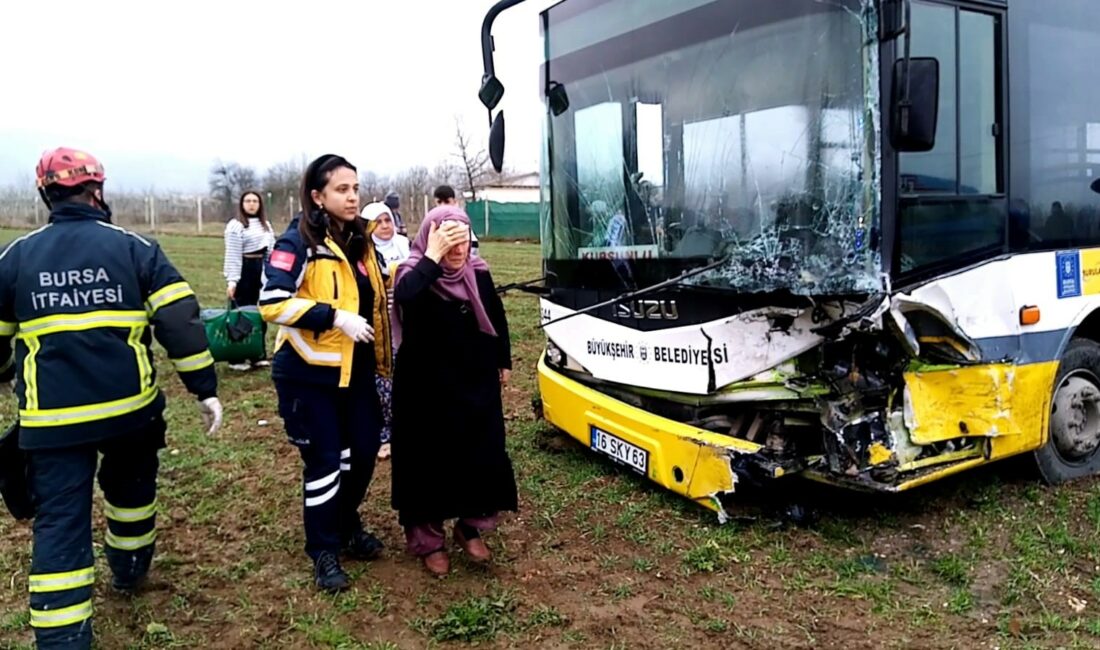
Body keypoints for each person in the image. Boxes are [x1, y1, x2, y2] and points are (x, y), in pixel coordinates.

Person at [0, 148, 223, 649]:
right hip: (131, 414)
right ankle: (128, 570)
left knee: (59, 525)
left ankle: (62, 640)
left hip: (51, 424)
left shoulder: (15, 258)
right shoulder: (135, 248)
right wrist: (204, 389)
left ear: (45, 195)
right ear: (97, 190)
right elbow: (180, 323)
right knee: (131, 495)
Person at [259, 154, 392, 593]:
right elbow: (272, 302)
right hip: (307, 375)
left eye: (355, 188)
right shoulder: (298, 240)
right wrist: (332, 317)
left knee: (364, 451)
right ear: (317, 196)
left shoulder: (361, 240)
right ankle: (323, 550)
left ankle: (344, 524)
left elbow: (374, 293)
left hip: (355, 372)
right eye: (341, 189)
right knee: (325, 463)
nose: (352, 196)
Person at [390, 205, 517, 576]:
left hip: (474, 378)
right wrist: (432, 256)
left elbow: (496, 316)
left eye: (464, 239)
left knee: (481, 452)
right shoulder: (413, 272)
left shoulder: (477, 272)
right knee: (426, 459)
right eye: (449, 240)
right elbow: (406, 300)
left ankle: (470, 527)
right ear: (430, 237)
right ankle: (428, 541)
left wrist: (502, 360)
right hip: (424, 385)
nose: (459, 249)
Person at [361, 202, 411, 461]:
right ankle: (385, 432)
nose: (384, 226)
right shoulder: (362, 251)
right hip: (376, 325)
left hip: (403, 320)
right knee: (383, 379)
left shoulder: (404, 246)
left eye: (387, 220)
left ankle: (407, 425)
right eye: (377, 222)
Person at [223, 190, 275, 370]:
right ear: (242, 204)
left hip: (261, 269)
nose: (252, 204)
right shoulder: (236, 226)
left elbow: (271, 251)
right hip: (244, 269)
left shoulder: (265, 225)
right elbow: (233, 254)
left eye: (255, 201)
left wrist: (272, 274)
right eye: (248, 201)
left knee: (260, 312)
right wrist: (232, 281)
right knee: (242, 313)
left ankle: (257, 353)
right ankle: (237, 357)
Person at [433, 184, 480, 257]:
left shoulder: (461, 223)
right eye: (439, 202)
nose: (443, 206)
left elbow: (473, 251)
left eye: (447, 202)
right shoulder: (433, 224)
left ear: (454, 202)